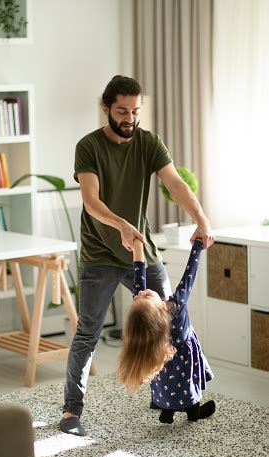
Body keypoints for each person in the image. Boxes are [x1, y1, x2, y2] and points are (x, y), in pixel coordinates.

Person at [60, 75, 215, 436]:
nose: (129, 118)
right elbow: (90, 201)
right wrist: (121, 225)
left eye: (135, 111)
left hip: (141, 255)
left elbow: (175, 183)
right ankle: (71, 411)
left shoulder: (149, 143)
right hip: (100, 254)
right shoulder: (89, 147)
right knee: (87, 334)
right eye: (121, 111)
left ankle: (179, 400)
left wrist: (202, 219)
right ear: (106, 108)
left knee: (172, 325)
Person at [118, 238, 215, 424]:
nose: (140, 293)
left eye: (138, 296)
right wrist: (198, 246)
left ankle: (166, 411)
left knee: (165, 384)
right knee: (187, 384)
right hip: (184, 358)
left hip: (162, 358)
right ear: (161, 308)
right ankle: (193, 412)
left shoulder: (145, 312)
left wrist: (138, 247)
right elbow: (189, 275)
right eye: (143, 295)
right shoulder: (174, 306)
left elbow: (139, 277)